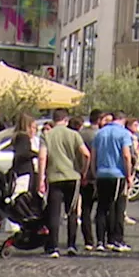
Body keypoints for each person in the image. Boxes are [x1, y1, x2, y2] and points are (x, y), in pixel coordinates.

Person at [39, 108, 90, 257]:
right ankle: (71, 245)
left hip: (54, 177)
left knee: (54, 213)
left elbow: (42, 157)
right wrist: (83, 171)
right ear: (66, 120)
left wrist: (41, 178)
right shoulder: (74, 135)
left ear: (53, 120)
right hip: (73, 177)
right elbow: (86, 154)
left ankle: (53, 247)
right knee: (72, 212)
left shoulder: (46, 135)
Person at [91, 111, 133, 252]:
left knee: (102, 208)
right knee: (117, 208)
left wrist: (94, 171)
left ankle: (101, 241)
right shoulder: (123, 133)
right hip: (117, 174)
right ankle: (117, 240)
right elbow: (126, 156)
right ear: (122, 119)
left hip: (101, 173)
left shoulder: (100, 133)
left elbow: (93, 156)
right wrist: (128, 175)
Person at [78, 110, 107, 250]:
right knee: (102, 209)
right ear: (100, 120)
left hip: (84, 175)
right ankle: (101, 240)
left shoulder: (81, 133)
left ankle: (88, 240)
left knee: (85, 209)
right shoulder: (101, 135)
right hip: (98, 175)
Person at [9, 114, 38, 195]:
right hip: (24, 171)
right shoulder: (23, 137)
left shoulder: (18, 137)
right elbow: (23, 153)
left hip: (20, 170)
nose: (34, 130)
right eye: (32, 127)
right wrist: (36, 154)